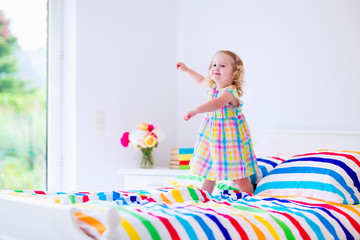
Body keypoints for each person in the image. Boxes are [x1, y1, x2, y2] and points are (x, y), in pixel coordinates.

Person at [176, 50, 258, 194]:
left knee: (239, 174)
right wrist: (186, 70)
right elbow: (201, 80)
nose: (216, 68)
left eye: (222, 65)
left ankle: (250, 198)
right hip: (213, 138)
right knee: (210, 171)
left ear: (234, 74)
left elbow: (218, 103)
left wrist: (195, 110)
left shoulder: (229, 91)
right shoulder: (213, 88)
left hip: (230, 140)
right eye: (214, 64)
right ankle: (204, 198)